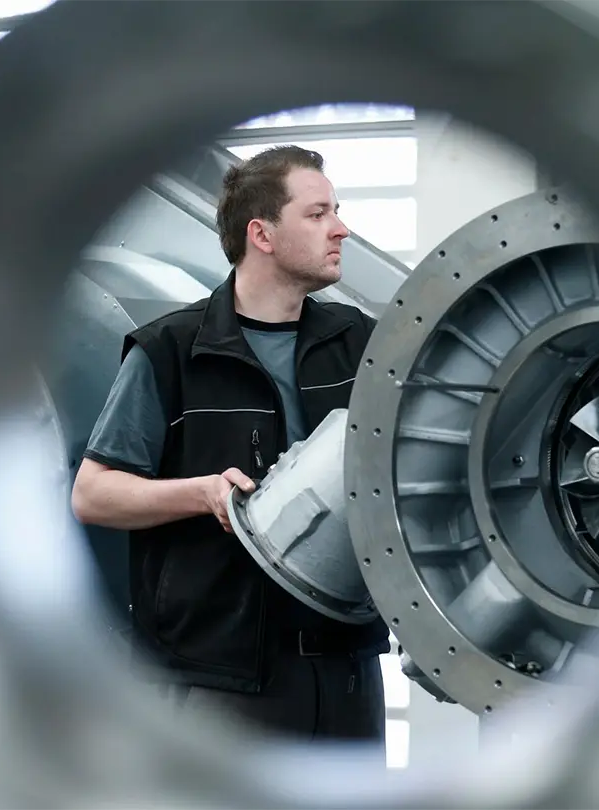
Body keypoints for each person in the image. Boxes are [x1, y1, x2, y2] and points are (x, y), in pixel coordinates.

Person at [71, 145, 390, 748]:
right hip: (221, 684)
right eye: (318, 214)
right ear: (262, 233)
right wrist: (202, 493)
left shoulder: (363, 345)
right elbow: (93, 494)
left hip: (347, 672)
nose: (340, 229)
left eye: (337, 212)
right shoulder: (169, 351)